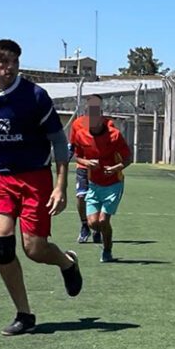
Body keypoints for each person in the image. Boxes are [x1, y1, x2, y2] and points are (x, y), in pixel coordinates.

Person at [0, 39, 82, 336]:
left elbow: (58, 141)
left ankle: (67, 263)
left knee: (34, 249)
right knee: (1, 246)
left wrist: (61, 185)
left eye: (14, 62)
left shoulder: (35, 96)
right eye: (3, 62)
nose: (10, 67)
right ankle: (24, 314)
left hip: (35, 177)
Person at [69, 94, 132, 263]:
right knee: (93, 223)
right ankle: (88, 228)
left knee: (103, 220)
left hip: (113, 183)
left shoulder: (114, 134)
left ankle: (107, 251)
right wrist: (87, 162)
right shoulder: (80, 132)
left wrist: (115, 168)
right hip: (94, 183)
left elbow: (128, 159)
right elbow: (77, 156)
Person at [69, 102, 101, 245]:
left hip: (99, 168)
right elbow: (72, 145)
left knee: (98, 197)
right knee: (81, 196)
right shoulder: (77, 124)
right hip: (82, 167)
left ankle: (97, 227)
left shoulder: (107, 125)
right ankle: (84, 225)